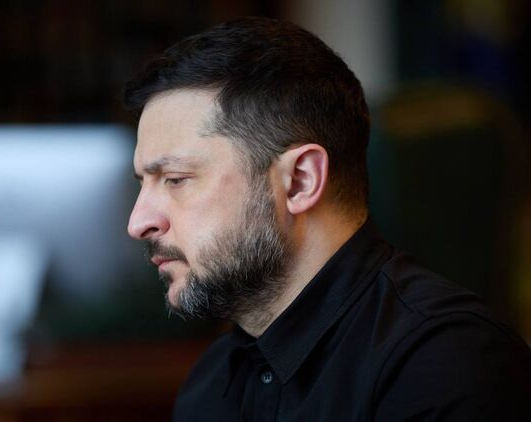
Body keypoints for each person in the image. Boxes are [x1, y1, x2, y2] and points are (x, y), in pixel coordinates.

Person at [123, 17, 531, 421]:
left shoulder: (444, 367)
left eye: (175, 179)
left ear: (301, 181)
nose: (139, 222)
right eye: (144, 183)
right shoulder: (209, 386)